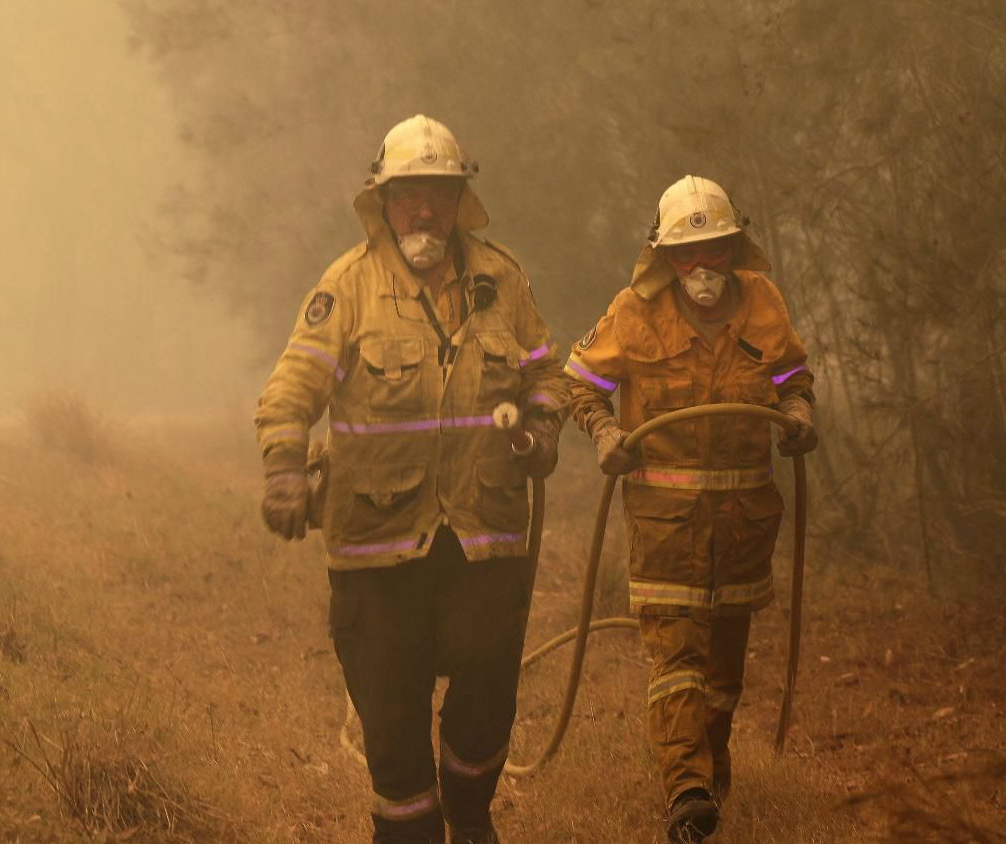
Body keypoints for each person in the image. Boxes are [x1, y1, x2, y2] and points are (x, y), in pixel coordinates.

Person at [254, 114, 568, 844]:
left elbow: (545, 374)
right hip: (377, 549)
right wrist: (284, 471)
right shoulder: (347, 288)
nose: (424, 210)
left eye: (439, 193)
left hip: (484, 540)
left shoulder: (503, 279)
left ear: (460, 199)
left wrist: (544, 428)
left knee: (488, 697)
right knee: (393, 724)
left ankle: (471, 813)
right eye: (408, 195)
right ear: (383, 202)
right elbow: (291, 388)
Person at [565, 175, 818, 844]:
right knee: (676, 660)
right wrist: (605, 432)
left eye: (715, 251)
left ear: (736, 249)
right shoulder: (633, 312)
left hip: (743, 525)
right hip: (665, 528)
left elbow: (792, 375)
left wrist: (797, 413)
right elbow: (581, 383)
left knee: (723, 674)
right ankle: (686, 790)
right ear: (664, 257)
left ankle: (710, 769)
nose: (702, 268)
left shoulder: (763, 303)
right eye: (686, 255)